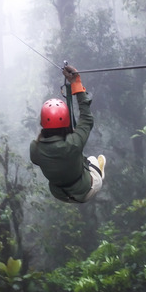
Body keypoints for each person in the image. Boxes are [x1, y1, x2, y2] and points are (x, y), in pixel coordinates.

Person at [30, 65, 106, 203]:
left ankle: (87, 166)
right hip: (86, 190)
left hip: (60, 194)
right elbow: (87, 119)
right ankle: (98, 170)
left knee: (81, 161)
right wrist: (76, 83)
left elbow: (37, 158)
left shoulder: (35, 149)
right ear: (66, 121)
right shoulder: (73, 143)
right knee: (93, 161)